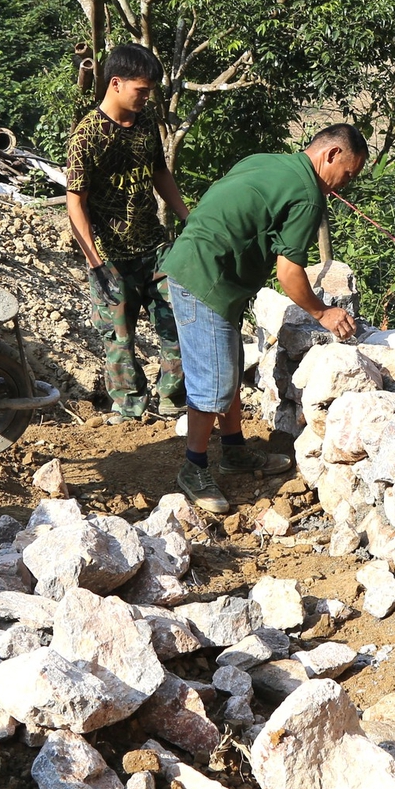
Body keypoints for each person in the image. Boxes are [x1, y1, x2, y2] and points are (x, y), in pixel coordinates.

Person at [160, 124, 368, 514]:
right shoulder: (308, 197)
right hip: (205, 278)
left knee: (230, 365)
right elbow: (289, 272)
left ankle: (234, 451)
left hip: (205, 267)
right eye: (349, 174)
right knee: (215, 383)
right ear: (332, 155)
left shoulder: (269, 162)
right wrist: (322, 312)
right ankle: (193, 468)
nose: (345, 186)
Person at [66, 43, 191, 424]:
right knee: (119, 340)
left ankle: (173, 400)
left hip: (155, 248)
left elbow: (159, 173)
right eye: (141, 89)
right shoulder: (86, 137)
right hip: (111, 257)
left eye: (150, 90)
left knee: (180, 324)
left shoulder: (146, 124)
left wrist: (187, 216)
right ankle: (129, 408)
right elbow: (76, 204)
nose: (146, 97)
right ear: (116, 84)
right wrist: (96, 263)